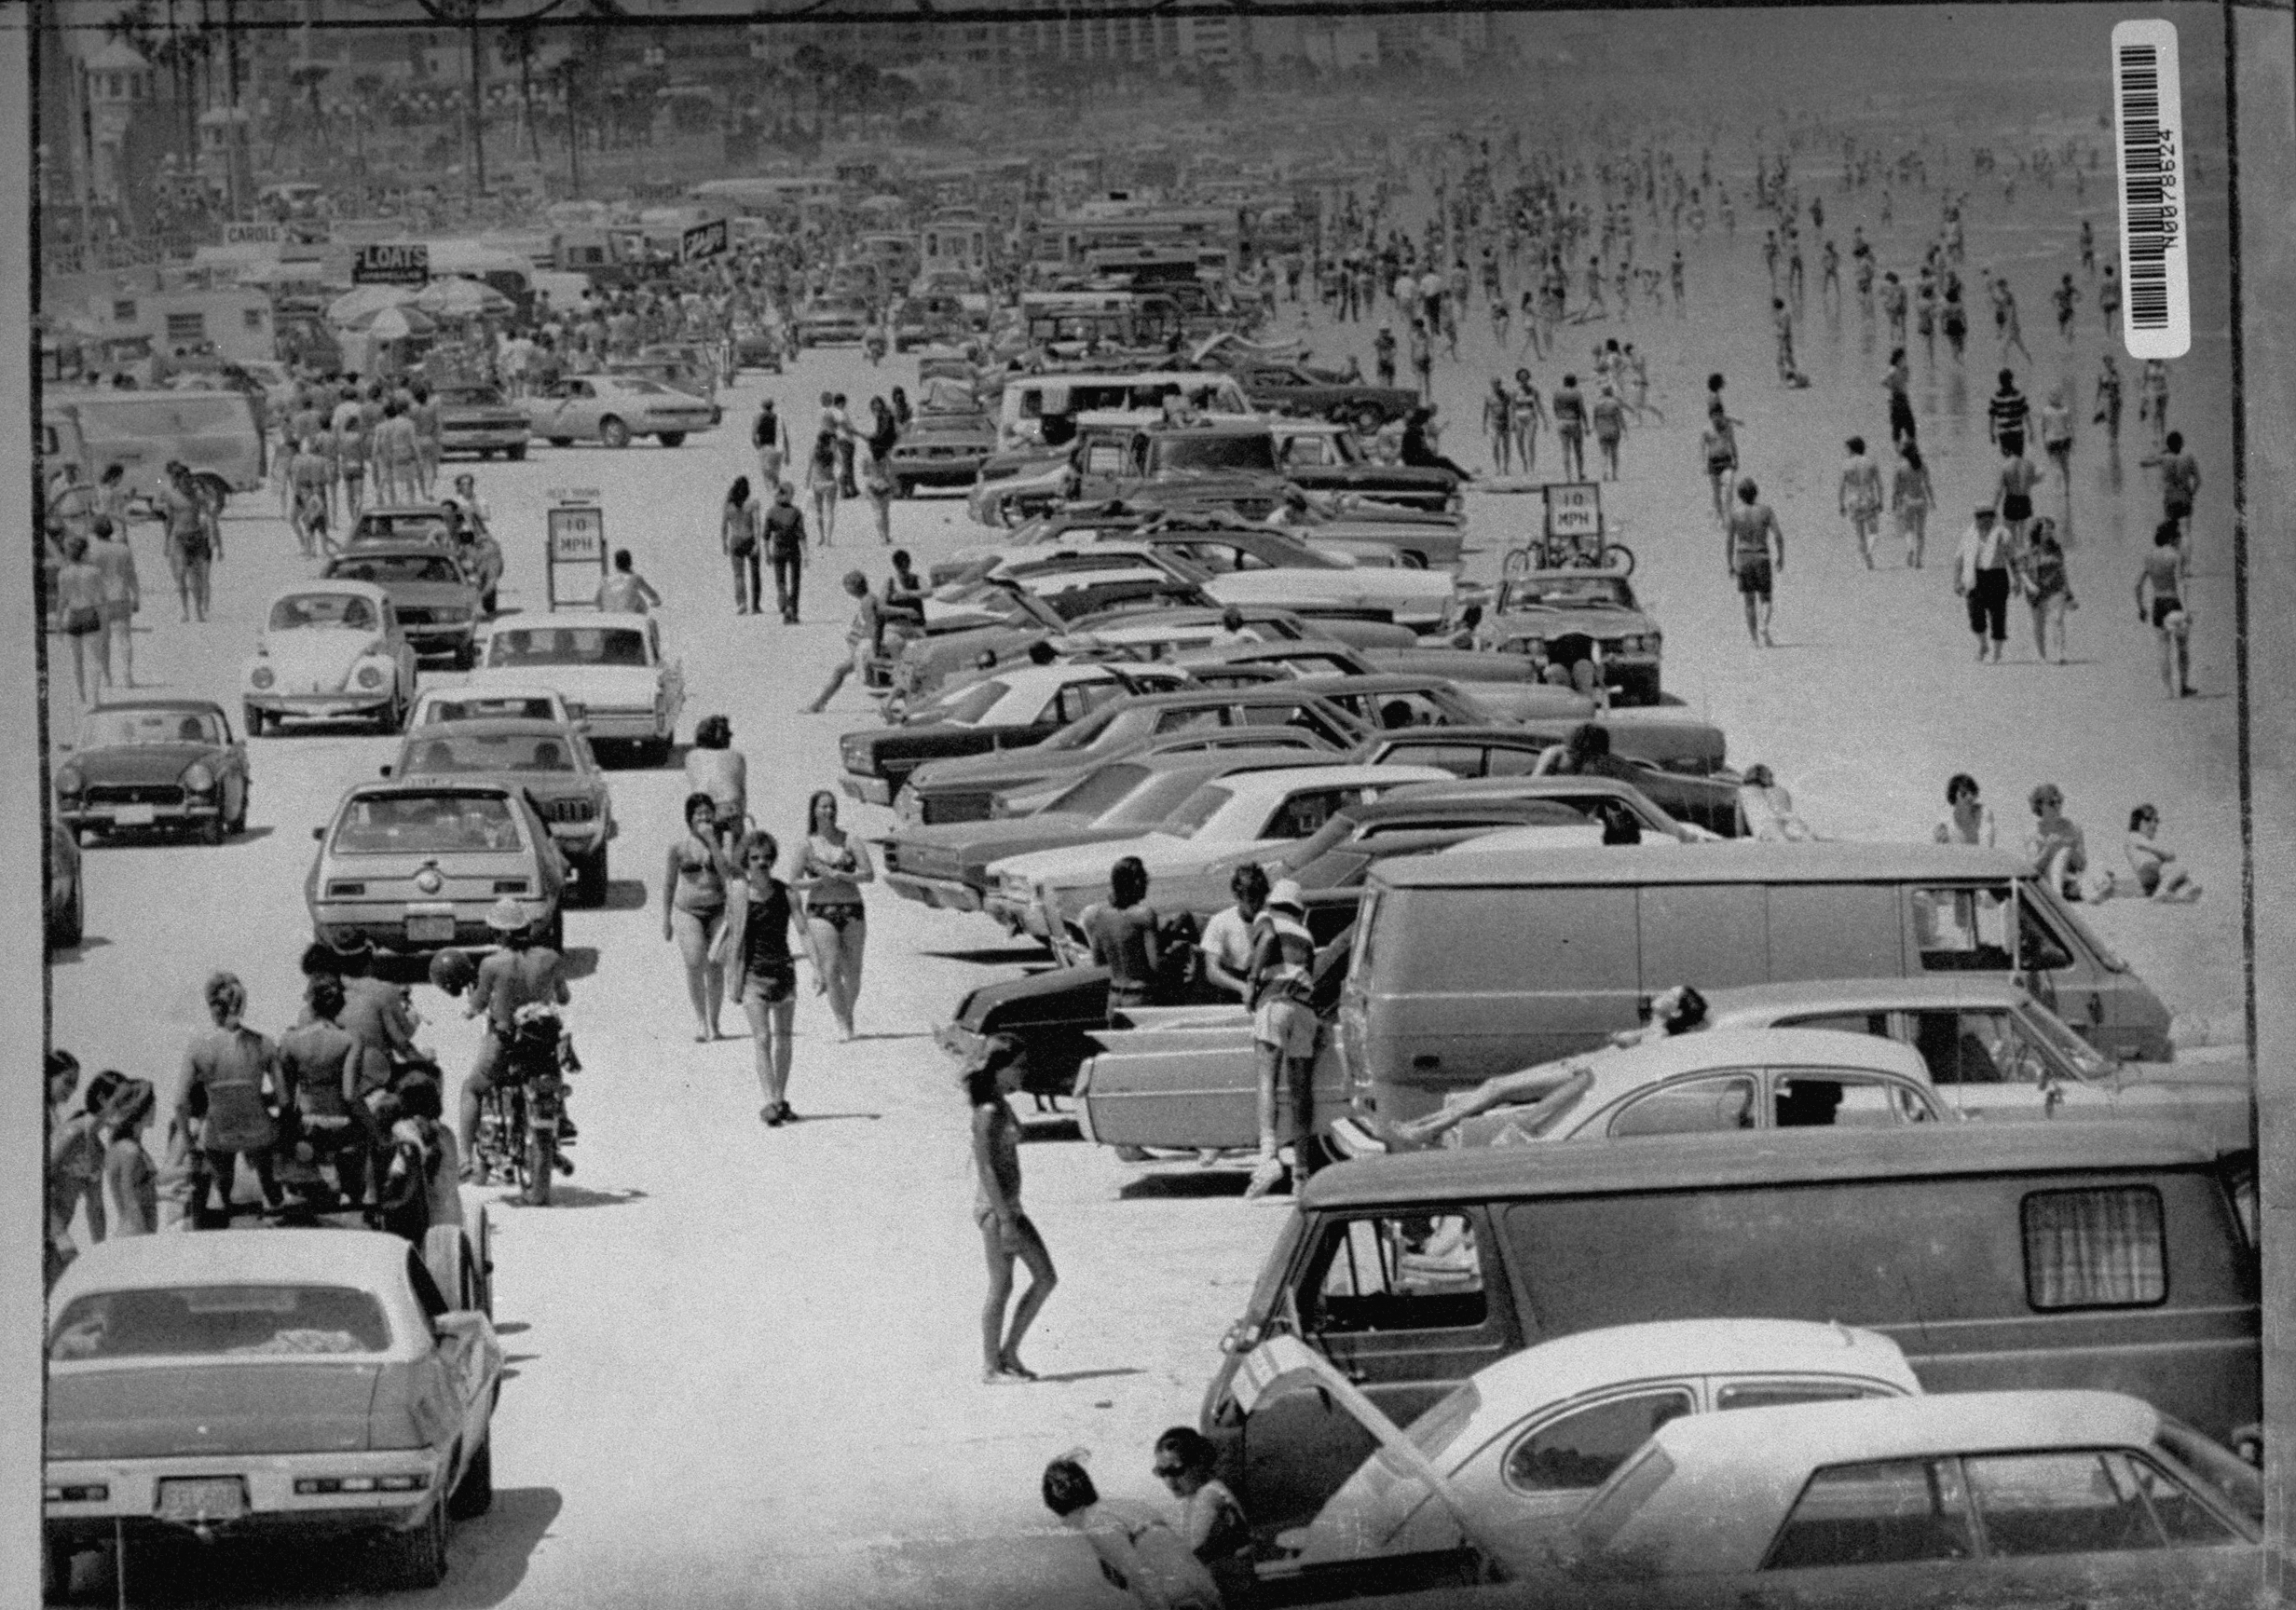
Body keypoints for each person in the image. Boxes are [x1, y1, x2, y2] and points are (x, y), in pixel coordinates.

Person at [1398, 986, 1710, 1148]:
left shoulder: (1659, 1039)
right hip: (1571, 1066)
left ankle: (1428, 1129)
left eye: (1673, 995)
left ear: (1677, 1011)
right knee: (1494, 1084)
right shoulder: (1650, 1031)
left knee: (1497, 1088)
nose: (1664, 993)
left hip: (1574, 1076)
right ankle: (1426, 1125)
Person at [457, 898, 571, 1172]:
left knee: (472, 1088)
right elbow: (564, 997)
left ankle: (464, 1158)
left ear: (501, 934)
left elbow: (479, 1003)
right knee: (551, 1071)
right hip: (542, 1040)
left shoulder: (491, 965)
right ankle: (562, 1120)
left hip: (506, 1040)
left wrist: (469, 1010)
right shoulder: (550, 958)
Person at [715, 830, 820, 1126]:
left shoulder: (787, 893)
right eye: (754, 858)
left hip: (783, 972)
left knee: (784, 1039)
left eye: (766, 857)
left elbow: (802, 930)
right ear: (746, 862)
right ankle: (770, 1101)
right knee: (762, 1038)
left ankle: (780, 1098)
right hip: (753, 976)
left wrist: (817, 968)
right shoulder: (738, 894)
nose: (761, 863)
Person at [973, 1038, 1056, 1385]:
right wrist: (1006, 1220)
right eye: (1017, 1066)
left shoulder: (1000, 1104)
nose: (1023, 1073)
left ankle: (1007, 1354)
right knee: (1004, 1286)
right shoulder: (988, 1112)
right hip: (998, 1210)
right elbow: (986, 1168)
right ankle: (992, 1365)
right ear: (999, 1068)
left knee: (1040, 1278)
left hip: (1009, 1206)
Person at [1042, 1458, 1222, 1609]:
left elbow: (1141, 1575)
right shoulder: (1125, 1506)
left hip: (1178, 1597)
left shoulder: (1095, 1524)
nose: (1067, 1525)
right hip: (1203, 1585)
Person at [179, 971, 285, 1221]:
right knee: (269, 1180)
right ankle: (274, 1205)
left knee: (222, 1179)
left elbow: (179, 1102)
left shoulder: (198, 1046)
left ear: (211, 1006)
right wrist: (256, 1099)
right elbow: (284, 1099)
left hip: (220, 1132)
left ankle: (222, 1206)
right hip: (258, 1130)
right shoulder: (264, 1043)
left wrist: (189, 1142)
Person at [1243, 879, 1319, 1200]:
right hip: (1304, 1009)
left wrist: (1251, 980)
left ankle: (1269, 1157)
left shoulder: (1267, 919)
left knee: (1267, 1079)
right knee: (1301, 1091)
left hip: (1274, 1002)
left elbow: (1269, 938)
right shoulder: (1307, 934)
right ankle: (1301, 1173)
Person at [280, 972, 369, 1208]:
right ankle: (351, 1192)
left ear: (310, 1002)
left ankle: (301, 1186)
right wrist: (376, 1130)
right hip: (340, 1128)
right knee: (368, 1137)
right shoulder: (350, 1040)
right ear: (339, 1004)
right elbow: (351, 1095)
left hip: (306, 1127)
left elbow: (286, 1099)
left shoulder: (290, 1040)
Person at [793, 789, 874, 1043]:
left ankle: (847, 1013)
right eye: (824, 807)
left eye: (832, 807)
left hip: (851, 907)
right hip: (821, 911)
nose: (829, 811)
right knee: (830, 969)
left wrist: (846, 877)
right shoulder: (806, 845)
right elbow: (794, 881)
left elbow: (869, 874)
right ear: (814, 811)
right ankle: (842, 1022)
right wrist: (817, 882)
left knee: (854, 970)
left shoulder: (850, 840)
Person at [1154, 1428, 1254, 1608]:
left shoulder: (1209, 1495)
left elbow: (1191, 1554)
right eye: (1162, 1472)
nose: (1169, 1481)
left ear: (1199, 1463)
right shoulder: (1203, 1493)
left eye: (1176, 1470)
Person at [663, 794, 734, 1043]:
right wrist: (666, 919)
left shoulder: (723, 841)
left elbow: (726, 871)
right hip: (687, 911)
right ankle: (700, 1020)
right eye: (698, 814)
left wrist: (712, 842)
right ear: (689, 818)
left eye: (708, 813)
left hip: (717, 909)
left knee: (716, 965)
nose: (704, 818)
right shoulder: (679, 847)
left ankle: (714, 1022)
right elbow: (670, 882)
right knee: (695, 962)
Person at [1086, 856, 1163, 1018]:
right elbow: (1154, 966)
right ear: (1136, 882)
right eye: (1144, 879)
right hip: (1139, 997)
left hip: (1114, 998)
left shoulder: (1099, 915)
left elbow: (1098, 960)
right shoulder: (1144, 915)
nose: (1147, 883)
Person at [803, 572, 882, 713]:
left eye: (847, 586)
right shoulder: (869, 599)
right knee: (841, 671)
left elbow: (873, 626)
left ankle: (818, 704)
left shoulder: (867, 602)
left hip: (867, 649)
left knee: (840, 671)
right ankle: (818, 704)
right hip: (863, 648)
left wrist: (870, 650)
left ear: (853, 587)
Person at [2136, 519, 2194, 697]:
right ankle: (2183, 686)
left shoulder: (2149, 557)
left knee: (2163, 649)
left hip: (2158, 605)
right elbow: (2181, 582)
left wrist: (2141, 608)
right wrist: (2186, 610)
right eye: (2177, 537)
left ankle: (2168, 690)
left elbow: (2137, 585)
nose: (2178, 540)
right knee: (2182, 647)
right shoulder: (2175, 556)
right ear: (2171, 538)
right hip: (2173, 602)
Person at [1725, 477, 1784, 648]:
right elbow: (1778, 535)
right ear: (1756, 493)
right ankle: (1764, 626)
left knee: (1749, 601)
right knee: (1766, 598)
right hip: (1761, 555)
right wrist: (1781, 556)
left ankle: (1754, 640)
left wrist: (1729, 563)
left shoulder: (1735, 514)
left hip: (1743, 557)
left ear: (1740, 495)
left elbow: (1729, 540)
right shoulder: (1766, 511)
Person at [99, 1078, 159, 1237]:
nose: (156, 1109)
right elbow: (129, 1199)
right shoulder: (130, 1151)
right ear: (143, 1108)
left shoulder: (124, 1147)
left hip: (133, 1233)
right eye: (153, 1104)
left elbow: (140, 1192)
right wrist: (144, 1242)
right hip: (135, 1234)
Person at [1199, 863, 1268, 1002]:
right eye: (1251, 899)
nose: (1256, 905)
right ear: (1237, 896)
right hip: (1229, 992)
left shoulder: (1271, 920)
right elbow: (1212, 971)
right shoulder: (1220, 922)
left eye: (1261, 899)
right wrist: (1242, 987)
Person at [1954, 505, 2015, 663]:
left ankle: (1997, 652)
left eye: (1988, 516)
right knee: (1975, 616)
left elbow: (2012, 559)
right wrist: (1957, 581)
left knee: (1998, 615)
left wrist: (2018, 580)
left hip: (1997, 576)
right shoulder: (1969, 535)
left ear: (1993, 517)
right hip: (1975, 577)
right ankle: (1983, 645)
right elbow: (1959, 559)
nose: (1984, 520)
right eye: (1981, 517)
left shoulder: (2003, 534)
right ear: (1976, 518)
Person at [54, 534, 107, 709]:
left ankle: (80, 696)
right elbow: (100, 599)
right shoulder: (94, 572)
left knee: (76, 661)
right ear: (85, 552)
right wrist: (104, 622)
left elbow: (61, 601)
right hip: (90, 614)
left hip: (73, 616)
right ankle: (94, 698)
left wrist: (59, 622)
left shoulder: (64, 573)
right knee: (94, 659)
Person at [160, 462, 215, 623]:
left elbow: (209, 513)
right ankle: (184, 609)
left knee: (196, 577)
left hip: (196, 535)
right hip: (179, 538)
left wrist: (211, 535)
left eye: (188, 481)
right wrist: (166, 542)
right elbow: (169, 521)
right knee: (181, 573)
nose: (186, 485)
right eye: (183, 482)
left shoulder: (198, 496)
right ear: (178, 482)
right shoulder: (171, 496)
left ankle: (198, 608)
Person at [2141, 430, 2201, 573]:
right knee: (2186, 532)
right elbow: (2198, 481)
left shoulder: (2164, 458)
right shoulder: (2189, 458)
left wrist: (2162, 452)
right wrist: (2192, 494)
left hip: (2170, 500)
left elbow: (2144, 463)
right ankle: (2186, 568)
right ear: (2181, 443)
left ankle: (2174, 565)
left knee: (2172, 532)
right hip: (2185, 497)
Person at [2023, 517, 2073, 664]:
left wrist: (2069, 591)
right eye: (2046, 530)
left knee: (2058, 620)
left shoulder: (2056, 549)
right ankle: (2041, 655)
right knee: (2039, 624)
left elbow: (2062, 570)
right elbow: (2022, 571)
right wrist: (2029, 585)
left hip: (2056, 589)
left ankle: (2060, 654)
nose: (2049, 533)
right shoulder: (2030, 550)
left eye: (2051, 530)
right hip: (2036, 592)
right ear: (2038, 532)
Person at [2026, 784, 2088, 902]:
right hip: (2046, 883)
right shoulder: (2034, 833)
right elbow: (2032, 870)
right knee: (2062, 852)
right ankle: (2057, 896)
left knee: (2065, 852)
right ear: (2040, 805)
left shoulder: (2072, 828)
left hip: (2070, 882)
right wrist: (2049, 849)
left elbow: (2082, 865)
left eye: (2059, 801)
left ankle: (2059, 895)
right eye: (2051, 803)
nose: (2057, 806)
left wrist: (2071, 849)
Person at [2124, 804, 2200, 900]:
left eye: (2156, 820)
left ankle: (2183, 892)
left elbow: (2164, 855)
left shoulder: (2139, 839)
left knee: (2180, 875)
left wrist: (2167, 856)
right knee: (2178, 869)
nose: (2153, 824)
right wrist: (2167, 854)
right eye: (2147, 819)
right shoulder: (2135, 836)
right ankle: (2161, 893)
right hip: (2147, 869)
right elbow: (2164, 853)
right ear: (2137, 821)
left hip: (2152, 873)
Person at [686, 714, 747, 829]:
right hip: (731, 808)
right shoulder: (737, 757)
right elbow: (742, 791)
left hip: (703, 810)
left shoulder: (691, 757)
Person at [1838, 437, 1884, 569]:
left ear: (1852, 449)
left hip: (1853, 499)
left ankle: (1867, 560)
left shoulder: (1846, 464)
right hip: (1868, 498)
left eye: (1848, 449)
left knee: (1860, 534)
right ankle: (1869, 551)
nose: (1847, 452)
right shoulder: (1870, 463)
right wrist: (1881, 500)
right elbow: (1879, 484)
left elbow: (1841, 487)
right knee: (1874, 531)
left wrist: (1841, 504)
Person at [765, 482, 808, 624]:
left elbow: (766, 535)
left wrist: (767, 553)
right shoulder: (796, 512)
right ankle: (792, 610)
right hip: (793, 550)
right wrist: (806, 554)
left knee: (780, 581)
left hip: (777, 549)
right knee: (795, 581)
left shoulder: (771, 512)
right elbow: (801, 534)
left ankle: (783, 603)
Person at [1738, 762, 1813, 840]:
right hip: (1789, 823)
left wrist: (1740, 836)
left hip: (1768, 828)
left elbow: (1740, 819)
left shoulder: (1744, 791)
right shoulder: (1781, 791)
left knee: (1775, 831)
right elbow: (1785, 811)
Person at [722, 475, 763, 616]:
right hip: (750, 539)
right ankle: (756, 605)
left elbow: (724, 526)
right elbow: (758, 524)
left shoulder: (729, 505)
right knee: (755, 574)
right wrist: (758, 543)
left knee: (738, 575)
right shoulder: (753, 503)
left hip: (735, 541)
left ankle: (742, 603)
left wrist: (724, 543)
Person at [861, 396, 899, 544]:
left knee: (877, 513)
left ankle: (882, 537)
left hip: (873, 486)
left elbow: (864, 472)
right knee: (885, 513)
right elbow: (890, 472)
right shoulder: (886, 458)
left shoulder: (867, 458)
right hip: (885, 486)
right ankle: (887, 536)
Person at [1934, 772, 1998, 847]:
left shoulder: (1984, 813)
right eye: (1963, 793)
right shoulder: (1945, 825)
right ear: (1953, 795)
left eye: (1973, 793)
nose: (1970, 797)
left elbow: (1987, 848)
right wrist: (1941, 843)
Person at [805, 425, 841, 548]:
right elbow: (841, 465)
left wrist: (807, 482)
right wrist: (839, 476)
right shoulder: (832, 452)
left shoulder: (813, 451)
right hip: (830, 482)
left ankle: (821, 537)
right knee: (830, 511)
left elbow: (809, 468)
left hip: (817, 483)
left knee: (819, 511)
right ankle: (829, 540)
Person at [597, 548, 663, 614]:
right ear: (630, 562)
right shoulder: (635, 578)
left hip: (610, 619)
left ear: (615, 564)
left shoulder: (606, 579)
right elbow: (654, 597)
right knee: (640, 600)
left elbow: (598, 602)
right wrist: (655, 603)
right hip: (629, 618)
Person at [1551, 373, 1587, 480]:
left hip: (1562, 421)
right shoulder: (1577, 393)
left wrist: (1559, 417)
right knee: (1578, 450)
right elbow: (1582, 409)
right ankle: (1580, 473)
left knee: (1565, 450)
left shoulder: (1557, 393)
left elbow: (1555, 408)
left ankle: (1568, 475)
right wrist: (1586, 424)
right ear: (1574, 382)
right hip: (1574, 421)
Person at [1589, 385, 1627, 482]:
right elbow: (1621, 419)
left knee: (1604, 453)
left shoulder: (1597, 404)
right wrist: (1625, 430)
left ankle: (1605, 472)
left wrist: (1593, 429)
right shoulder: (1615, 403)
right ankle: (1614, 474)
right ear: (1611, 392)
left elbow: (1594, 419)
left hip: (1602, 431)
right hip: (1614, 430)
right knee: (1614, 453)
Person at [753, 398, 788, 491]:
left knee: (766, 472)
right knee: (775, 471)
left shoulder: (758, 418)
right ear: (772, 406)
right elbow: (785, 436)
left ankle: (772, 491)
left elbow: (753, 437)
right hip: (777, 448)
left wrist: (758, 447)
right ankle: (776, 488)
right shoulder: (779, 417)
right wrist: (787, 453)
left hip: (765, 447)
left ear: (762, 407)